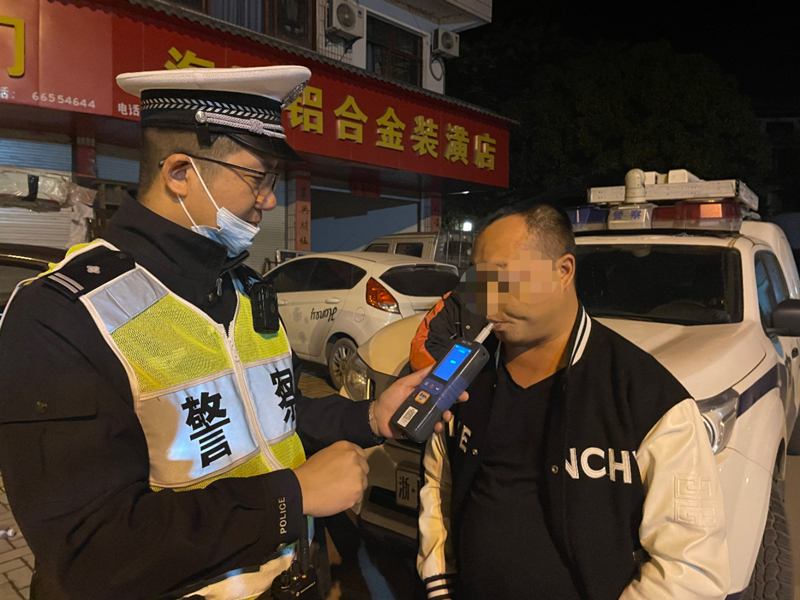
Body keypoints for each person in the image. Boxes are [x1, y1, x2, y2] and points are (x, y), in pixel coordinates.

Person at [0, 66, 458, 600]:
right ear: (180, 173)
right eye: (257, 178)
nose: (270, 200)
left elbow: (275, 418)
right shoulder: (65, 314)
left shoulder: (244, 289)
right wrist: (289, 498)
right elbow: (90, 548)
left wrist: (371, 416)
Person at [415, 203, 730, 600]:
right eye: (478, 282)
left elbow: (691, 568)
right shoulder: (464, 378)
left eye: (503, 279)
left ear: (563, 271)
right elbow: (438, 484)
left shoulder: (648, 399)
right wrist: (440, 583)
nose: (486, 303)